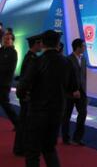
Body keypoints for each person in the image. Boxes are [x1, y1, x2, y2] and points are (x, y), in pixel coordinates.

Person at [17, 30, 77, 167]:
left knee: (33, 151)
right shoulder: (67, 63)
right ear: (58, 44)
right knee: (49, 148)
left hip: (37, 112)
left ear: (42, 43)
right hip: (57, 112)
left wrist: (24, 95)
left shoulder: (37, 61)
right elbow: (73, 87)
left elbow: (22, 87)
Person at [13, 34, 42, 156]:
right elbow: (27, 79)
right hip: (27, 95)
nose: (41, 45)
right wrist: (25, 93)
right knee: (25, 123)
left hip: (25, 94)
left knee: (23, 122)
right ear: (36, 44)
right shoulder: (32, 59)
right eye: (40, 43)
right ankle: (21, 148)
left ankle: (19, 147)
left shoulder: (29, 56)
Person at [62, 38, 87, 146]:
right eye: (83, 46)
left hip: (81, 92)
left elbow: (84, 77)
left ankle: (77, 138)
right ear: (78, 47)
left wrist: (84, 91)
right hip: (70, 92)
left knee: (83, 113)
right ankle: (66, 137)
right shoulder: (68, 60)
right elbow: (66, 77)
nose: (85, 48)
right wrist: (72, 90)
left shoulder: (83, 60)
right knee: (66, 115)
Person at [0, 31, 18, 128]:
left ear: (12, 41)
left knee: (5, 104)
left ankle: (18, 124)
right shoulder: (1, 50)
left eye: (8, 39)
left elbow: (10, 69)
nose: (5, 40)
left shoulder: (13, 53)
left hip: (4, 83)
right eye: (4, 39)